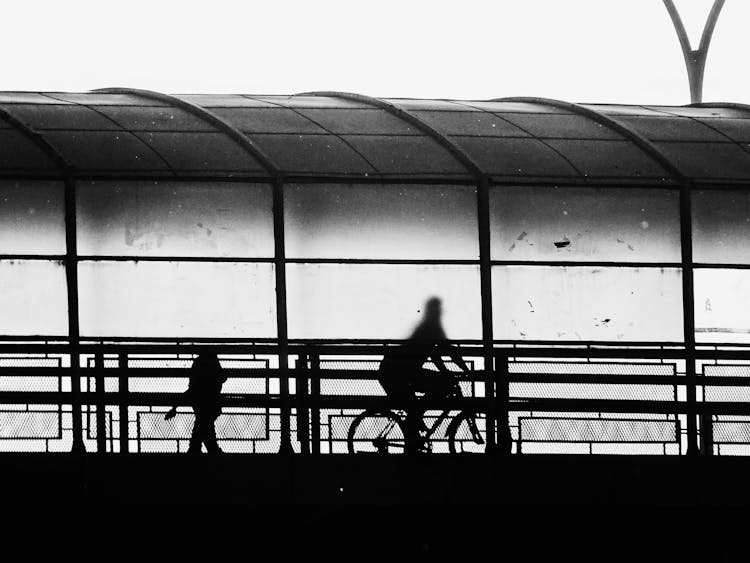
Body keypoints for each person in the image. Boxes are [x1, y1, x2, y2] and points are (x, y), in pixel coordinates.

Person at [378, 297, 471, 452]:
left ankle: (414, 432)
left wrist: (449, 371)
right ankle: (412, 438)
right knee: (421, 402)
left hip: (395, 371)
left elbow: (438, 354)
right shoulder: (432, 327)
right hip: (398, 373)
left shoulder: (427, 327)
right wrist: (466, 371)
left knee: (417, 405)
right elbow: (447, 351)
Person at [164, 352, 227, 454]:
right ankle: (207, 453)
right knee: (205, 431)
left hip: (201, 404)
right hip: (212, 404)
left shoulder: (199, 363)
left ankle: (198, 452)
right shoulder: (212, 361)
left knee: (202, 431)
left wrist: (175, 407)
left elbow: (192, 389)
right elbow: (222, 378)